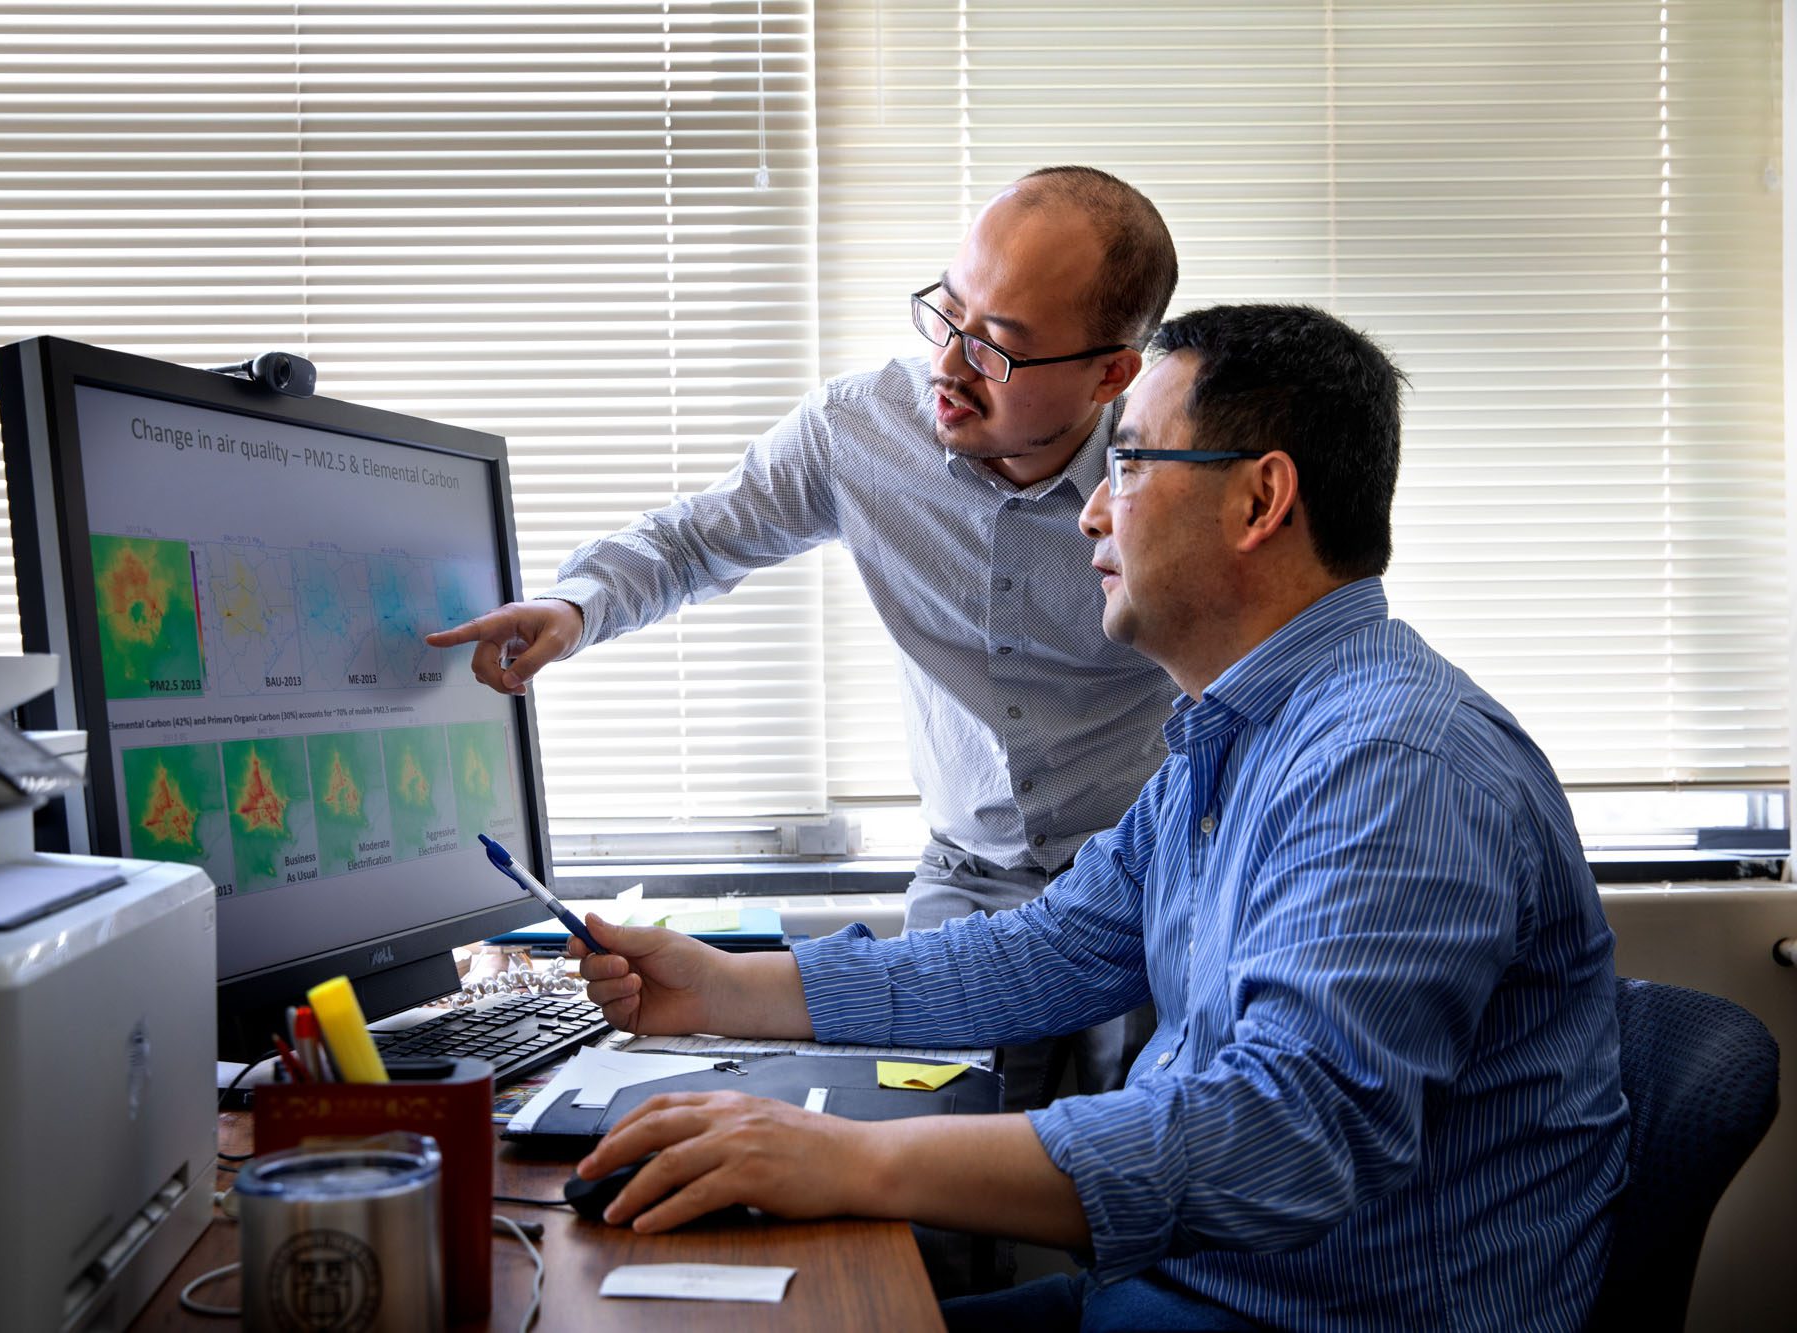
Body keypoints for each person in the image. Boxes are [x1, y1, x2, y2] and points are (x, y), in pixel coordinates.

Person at [564, 304, 1628, 1333]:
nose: (1088, 510)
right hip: (1192, 1296)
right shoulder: (1238, 733)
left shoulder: (1394, 763)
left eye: (1127, 463)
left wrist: (845, 1157)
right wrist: (728, 987)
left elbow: (1281, 1136)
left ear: (1259, 501)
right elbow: (1050, 949)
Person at [428, 166, 1180, 1109]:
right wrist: (575, 608)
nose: (947, 366)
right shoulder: (861, 431)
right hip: (969, 874)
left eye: (995, 348)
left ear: (1112, 372)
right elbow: (697, 537)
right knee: (930, 1171)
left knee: (1136, 1160)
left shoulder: (1170, 473)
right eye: (945, 314)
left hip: (1153, 879)